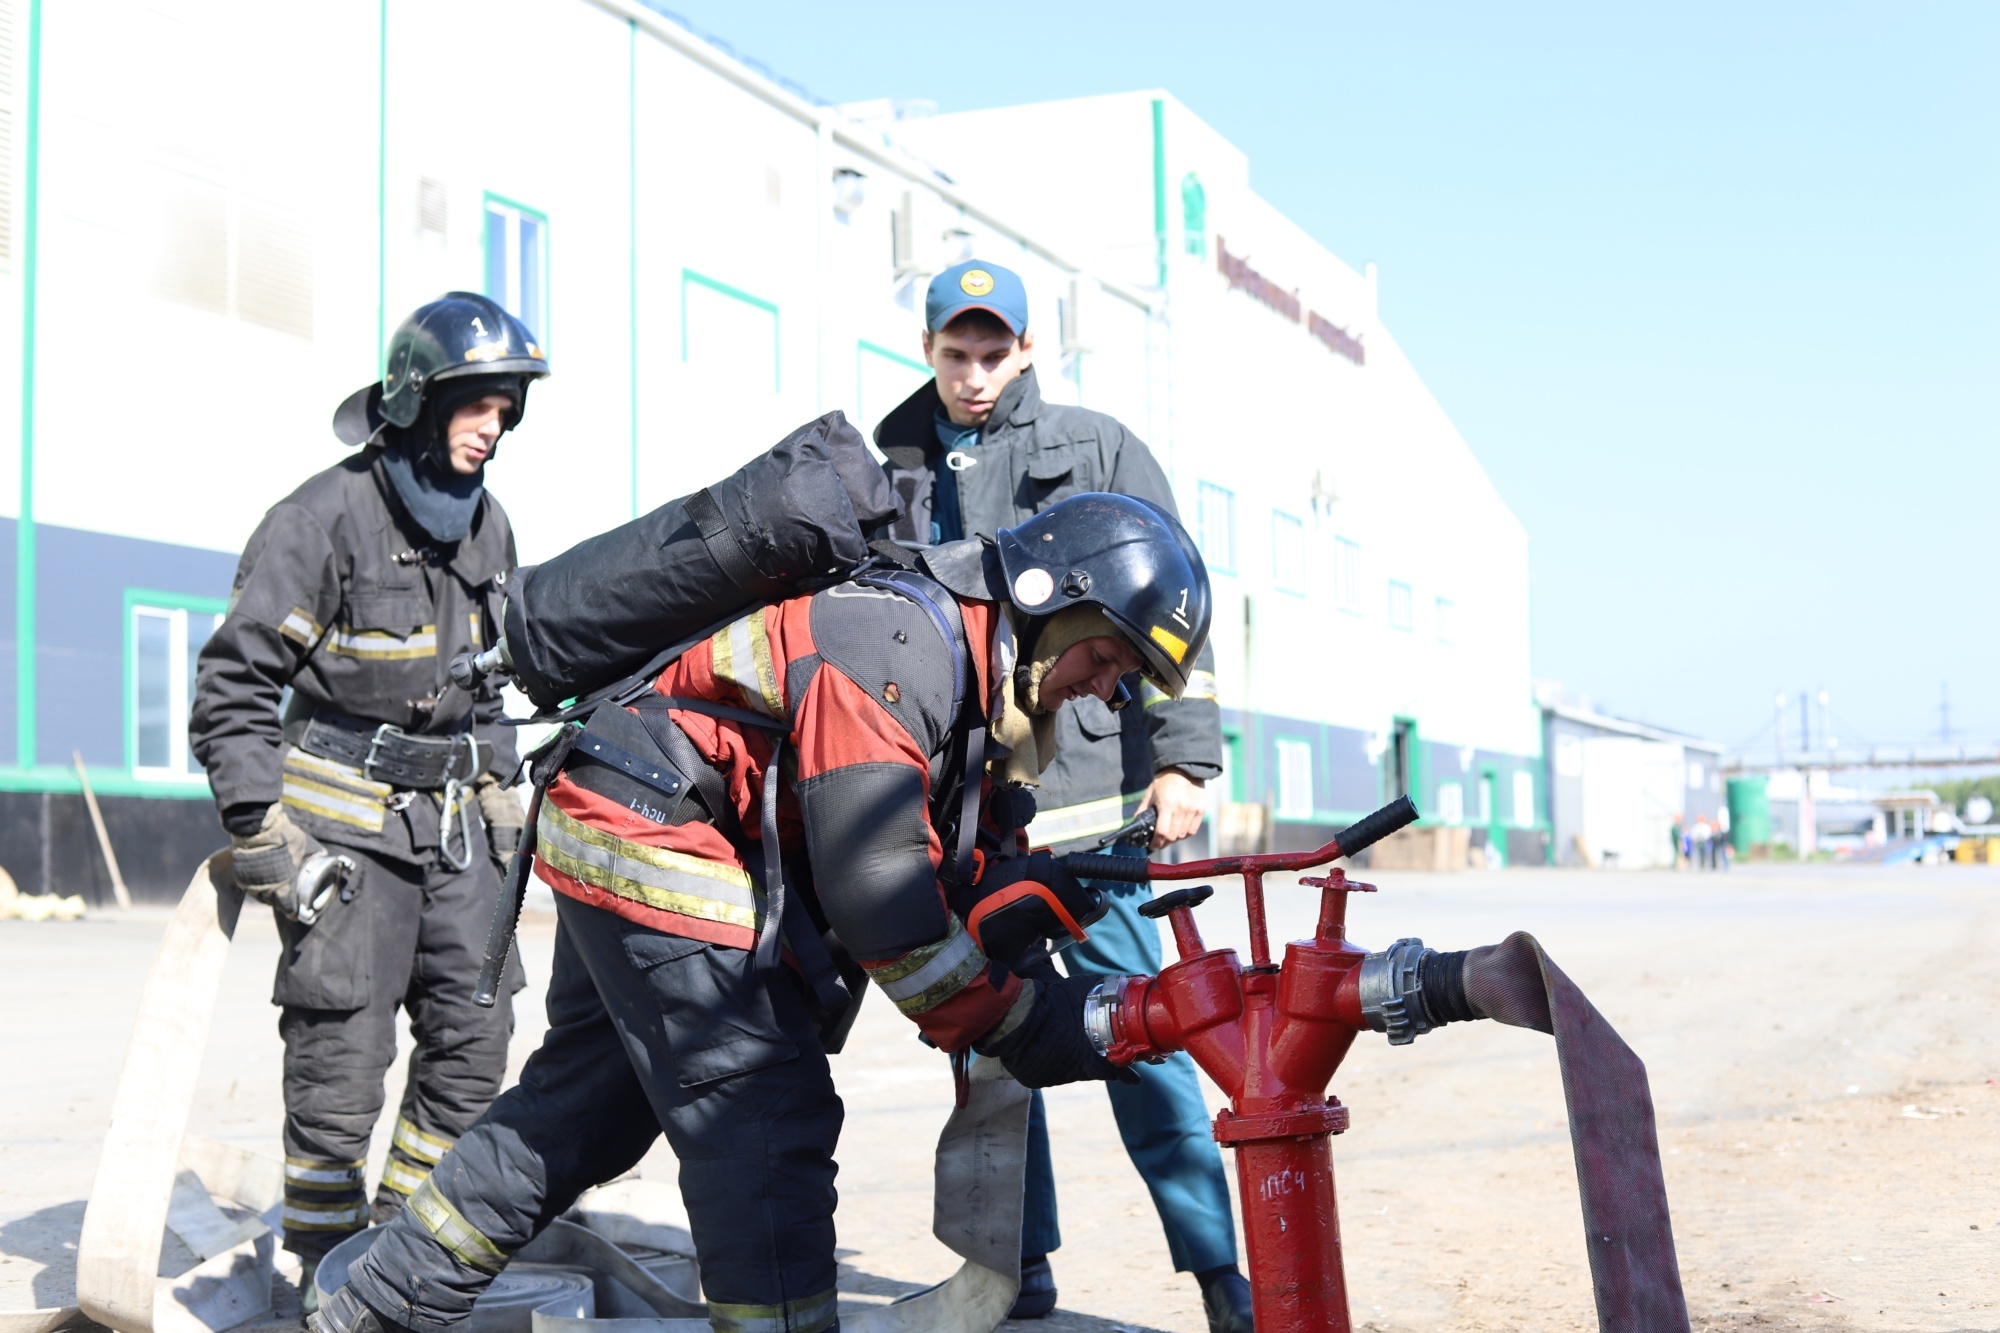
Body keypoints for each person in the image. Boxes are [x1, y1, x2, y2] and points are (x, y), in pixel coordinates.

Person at [312, 491, 1216, 1333]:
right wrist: (1019, 1018)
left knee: (590, 1110)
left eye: (1125, 677)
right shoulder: (898, 647)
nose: (1104, 689)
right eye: (1106, 656)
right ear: (1044, 595)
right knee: (764, 1112)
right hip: (653, 832)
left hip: (630, 816)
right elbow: (881, 898)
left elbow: (930, 863)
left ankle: (370, 1306)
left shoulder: (966, 674)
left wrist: (1019, 920)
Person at [875, 260, 1249, 1331]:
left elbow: (1177, 599)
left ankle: (1220, 1272)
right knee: (994, 1048)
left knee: (1145, 1038)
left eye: (995, 354)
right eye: (956, 354)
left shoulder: (1097, 446)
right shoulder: (890, 452)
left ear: (1030, 350)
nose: (975, 375)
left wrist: (1182, 758)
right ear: (928, 349)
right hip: (967, 811)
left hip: (1096, 810)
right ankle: (1015, 1271)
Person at [189, 293, 547, 1307]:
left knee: (475, 1044)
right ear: (415, 401)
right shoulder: (319, 520)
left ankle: (394, 1251)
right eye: (477, 404)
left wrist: (507, 794)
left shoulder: (489, 524)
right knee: (341, 1051)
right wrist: (263, 829)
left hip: (459, 829)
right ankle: (319, 1260)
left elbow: (490, 676)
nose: (496, 426)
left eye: (508, 407)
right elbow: (232, 686)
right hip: (343, 828)